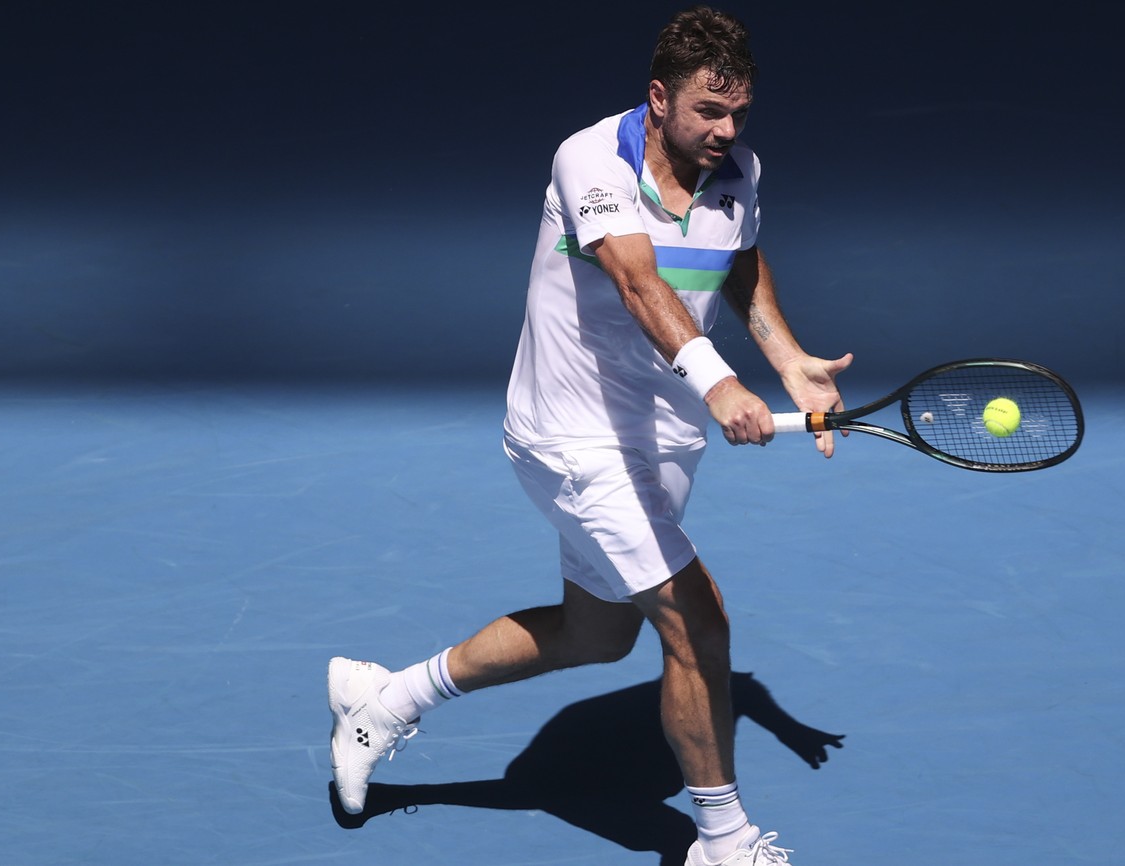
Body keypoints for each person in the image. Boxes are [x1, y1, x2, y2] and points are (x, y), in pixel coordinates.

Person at [327, 7, 850, 865]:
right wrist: (720, 382)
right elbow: (639, 283)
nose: (726, 132)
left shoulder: (739, 170)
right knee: (698, 625)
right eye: (707, 113)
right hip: (570, 438)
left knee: (598, 634)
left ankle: (386, 701)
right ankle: (725, 844)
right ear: (657, 98)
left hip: (663, 437)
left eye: (740, 114)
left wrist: (786, 357)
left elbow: (741, 259)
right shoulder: (589, 159)